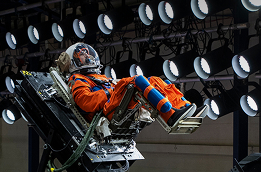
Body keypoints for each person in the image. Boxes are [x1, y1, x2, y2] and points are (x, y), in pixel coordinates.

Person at [59, 43, 196, 129]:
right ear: (74, 60)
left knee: (155, 80)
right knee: (137, 80)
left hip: (116, 103)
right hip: (109, 111)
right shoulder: (77, 79)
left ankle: (181, 108)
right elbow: (85, 102)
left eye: (87, 53)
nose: (87, 56)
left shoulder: (98, 76)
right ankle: (170, 113)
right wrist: (110, 91)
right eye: (82, 54)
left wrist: (114, 88)